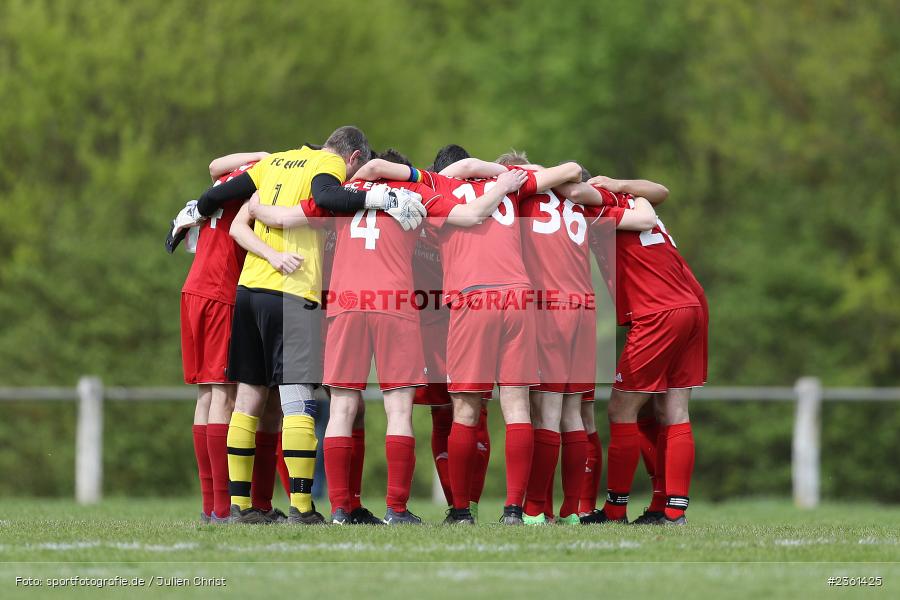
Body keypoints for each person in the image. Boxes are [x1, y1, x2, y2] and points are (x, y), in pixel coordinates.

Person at [183, 126, 425, 524]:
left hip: (249, 291)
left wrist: (200, 214)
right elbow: (329, 197)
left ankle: (240, 507)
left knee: (248, 399)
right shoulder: (327, 164)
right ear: (353, 158)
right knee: (297, 401)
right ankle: (301, 506)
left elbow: (216, 199)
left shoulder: (274, 162)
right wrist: (376, 195)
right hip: (292, 292)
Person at [356, 152, 584, 524]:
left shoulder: (435, 187)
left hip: (472, 297)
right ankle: (515, 511)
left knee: (463, 408)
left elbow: (385, 170)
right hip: (518, 296)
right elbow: (572, 168)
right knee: (517, 407)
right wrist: (506, 174)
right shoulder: (509, 187)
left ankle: (461, 510)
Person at [248, 148, 430, 525]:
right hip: (394, 302)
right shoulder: (413, 193)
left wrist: (255, 208)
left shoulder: (342, 193)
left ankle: (342, 509)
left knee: (343, 409)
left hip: (344, 305)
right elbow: (466, 213)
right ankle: (396, 509)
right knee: (398, 410)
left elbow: (283, 217)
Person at [169, 151, 292, 524]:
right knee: (225, 394)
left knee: (207, 395)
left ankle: (212, 507)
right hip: (221, 291)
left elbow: (212, 165)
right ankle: (225, 508)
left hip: (193, 290)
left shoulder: (227, 179)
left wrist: (261, 156)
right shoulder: (257, 183)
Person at [578, 177, 706, 525]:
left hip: (657, 311)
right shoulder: (631, 198)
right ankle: (671, 509)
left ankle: (616, 509)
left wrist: (533, 178)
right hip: (689, 304)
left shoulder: (599, 205)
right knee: (669, 408)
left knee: (622, 409)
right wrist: (620, 183)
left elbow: (576, 191)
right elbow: (662, 190)